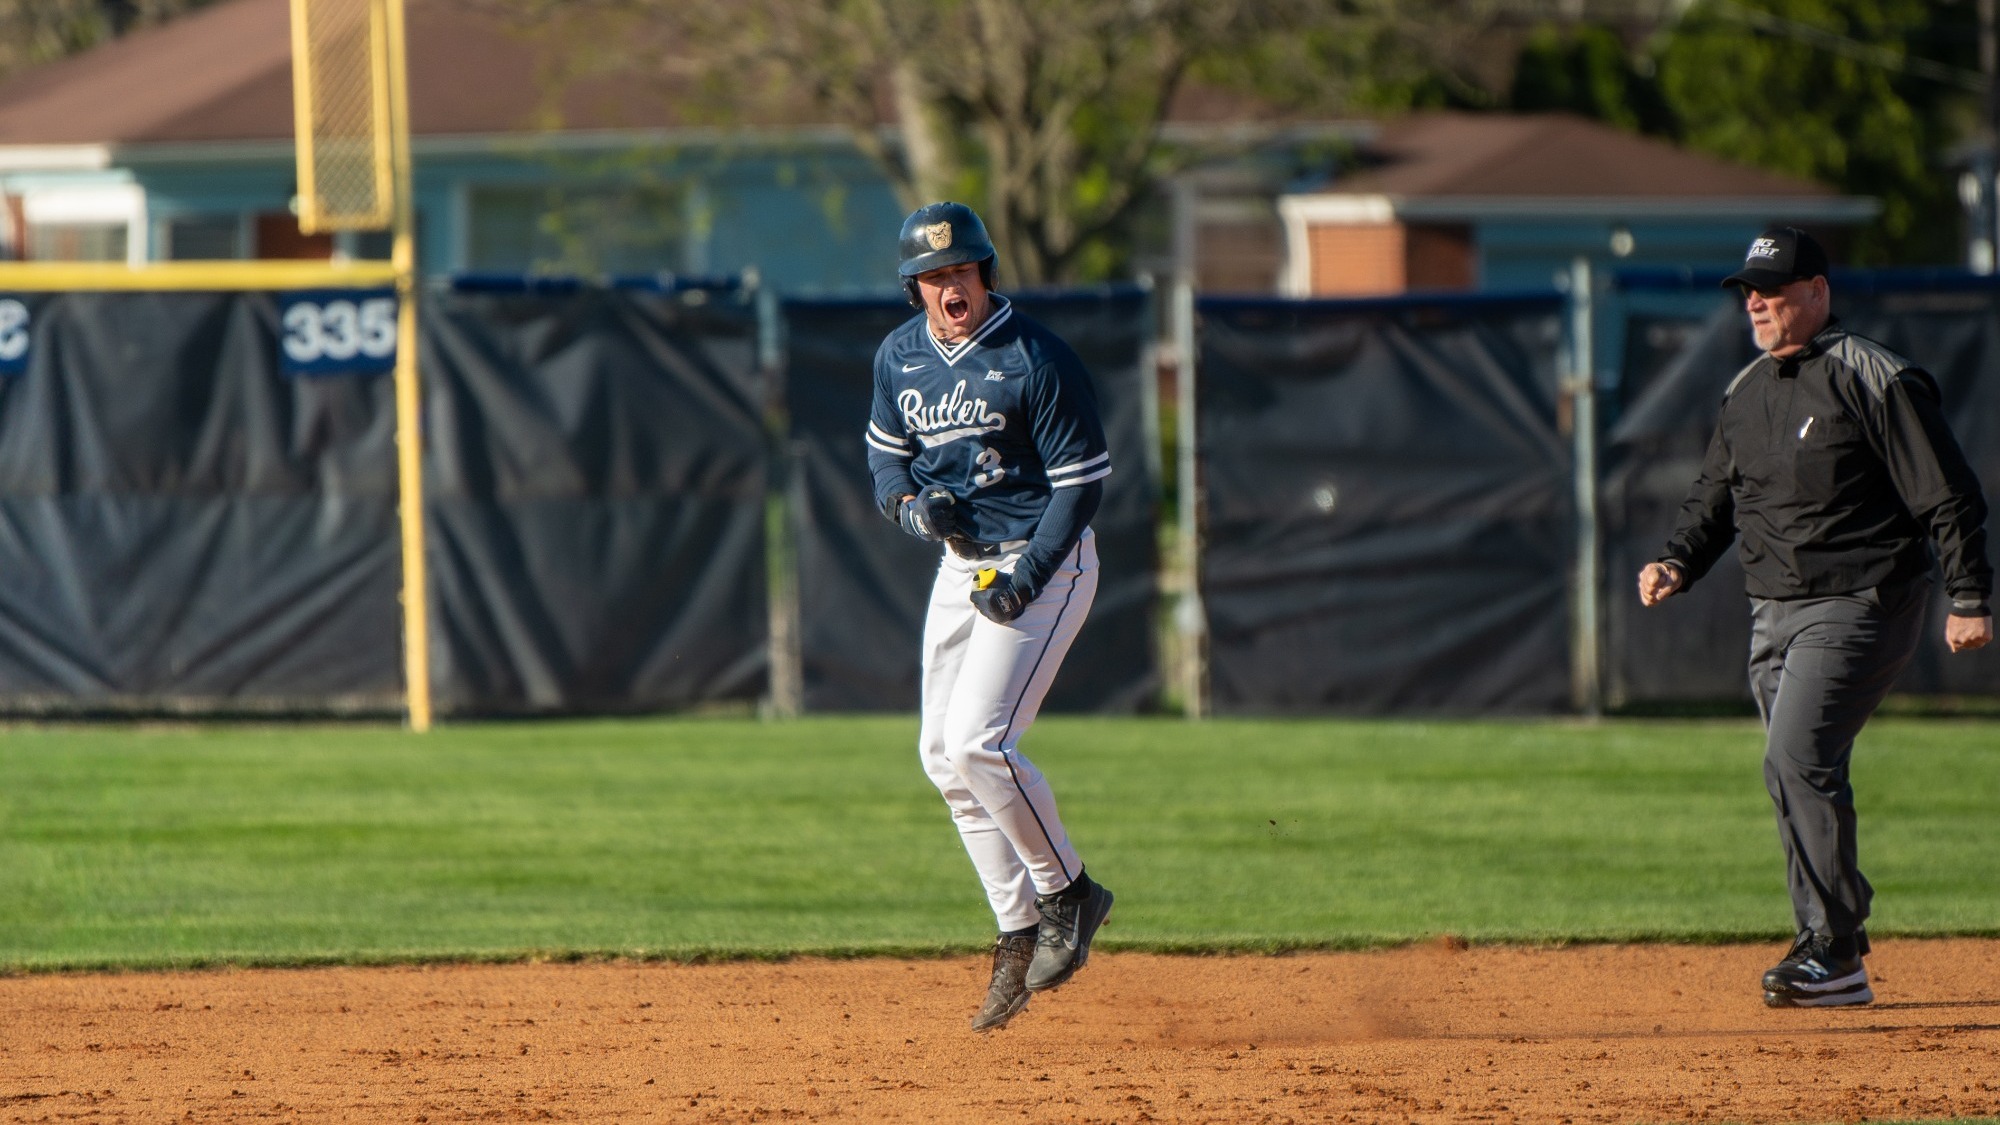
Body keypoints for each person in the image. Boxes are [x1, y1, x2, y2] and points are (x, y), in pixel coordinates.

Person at [1637, 227, 1992, 1009]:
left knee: (1797, 757)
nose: (1757, 300)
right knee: (1791, 772)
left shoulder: (1873, 375)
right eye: (1749, 290)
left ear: (1818, 292)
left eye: (1774, 286)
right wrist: (1676, 561)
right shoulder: (1747, 390)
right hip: (1772, 609)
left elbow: (1948, 493)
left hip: (1863, 599)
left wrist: (1968, 595)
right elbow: (1715, 500)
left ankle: (1834, 948)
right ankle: (1824, 943)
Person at [864, 201, 1116, 1031]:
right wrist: (913, 512)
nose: (950, 285)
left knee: (981, 741)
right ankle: (1017, 927)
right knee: (943, 758)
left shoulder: (1034, 357)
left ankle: (1070, 894)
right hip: (961, 564)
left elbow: (1081, 484)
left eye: (961, 270)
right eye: (933, 276)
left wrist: (1027, 580)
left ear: (985, 274)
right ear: (914, 289)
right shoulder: (900, 358)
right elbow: (885, 465)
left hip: (1045, 556)